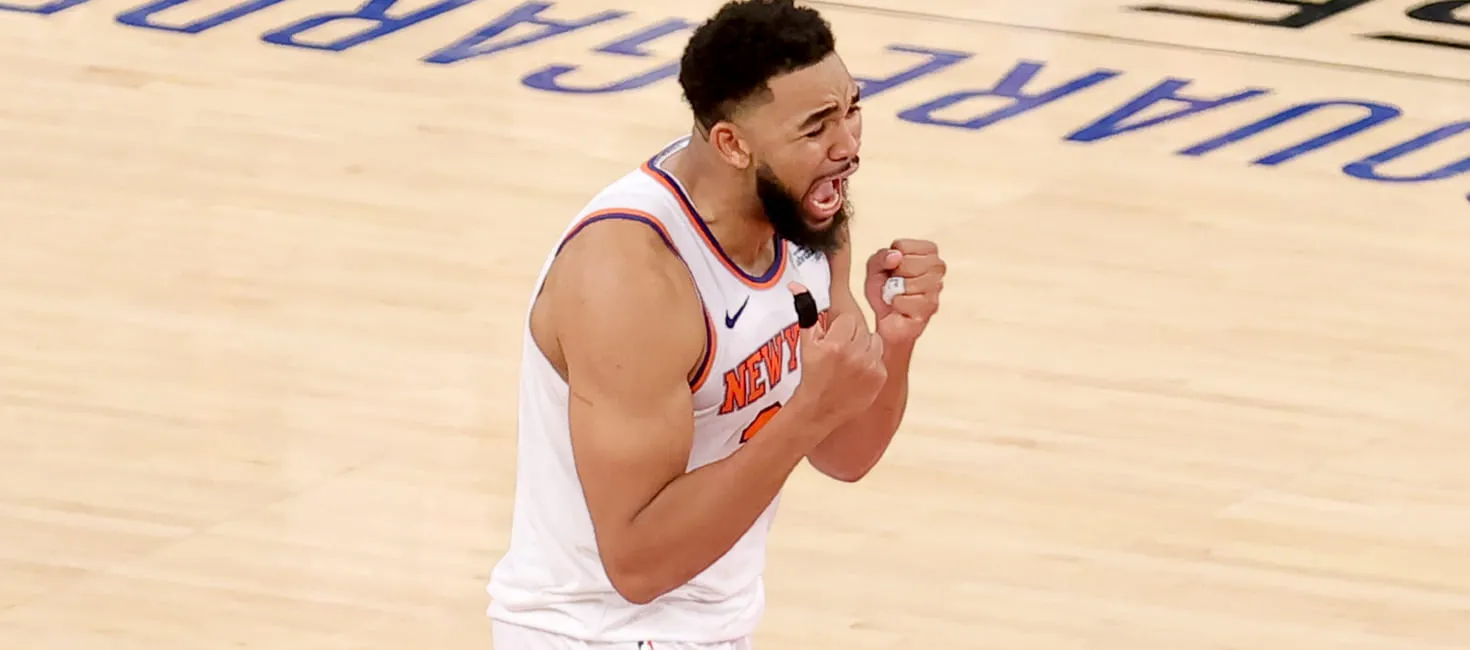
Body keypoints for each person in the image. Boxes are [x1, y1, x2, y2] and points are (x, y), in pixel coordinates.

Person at [485, 1, 947, 648]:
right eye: (816, 127)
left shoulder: (804, 213)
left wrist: (894, 342)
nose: (847, 146)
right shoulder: (632, 278)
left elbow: (847, 455)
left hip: (715, 626)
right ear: (732, 144)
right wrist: (806, 412)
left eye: (852, 109)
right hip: (595, 633)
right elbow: (637, 565)